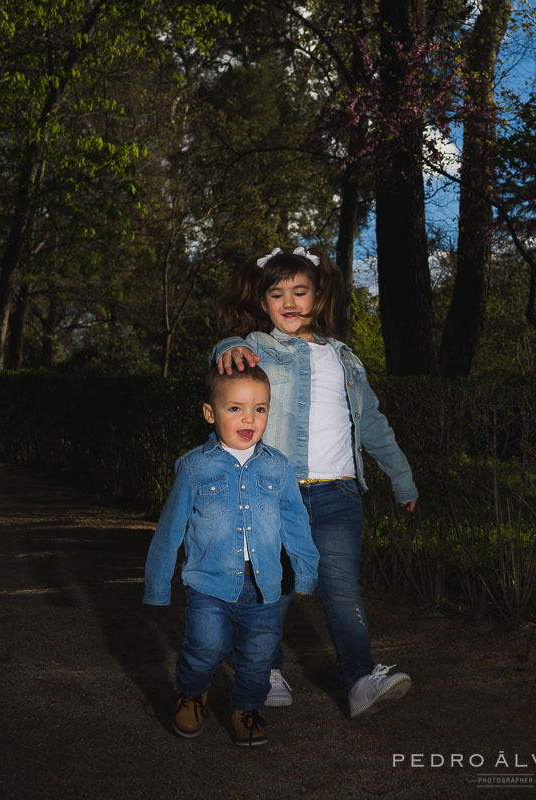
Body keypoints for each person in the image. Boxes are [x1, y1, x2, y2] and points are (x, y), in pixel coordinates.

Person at [213, 246, 418, 719]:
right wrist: (229, 348)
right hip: (277, 494)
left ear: (318, 296)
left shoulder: (344, 359)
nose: (289, 302)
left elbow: (373, 424)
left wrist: (402, 477)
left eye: (300, 292)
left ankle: (361, 678)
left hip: (339, 494)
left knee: (343, 587)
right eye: (277, 294)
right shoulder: (257, 348)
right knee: (274, 584)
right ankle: (263, 669)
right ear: (263, 303)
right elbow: (223, 352)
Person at [143, 366, 320, 746]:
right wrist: (157, 584)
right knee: (204, 646)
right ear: (210, 413)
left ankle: (247, 707)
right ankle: (191, 694)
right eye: (236, 408)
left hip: (264, 586)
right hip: (208, 583)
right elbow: (170, 529)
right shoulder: (195, 467)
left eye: (259, 409)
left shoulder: (278, 466)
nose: (249, 419)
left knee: (258, 655)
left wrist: (305, 572)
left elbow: (296, 523)